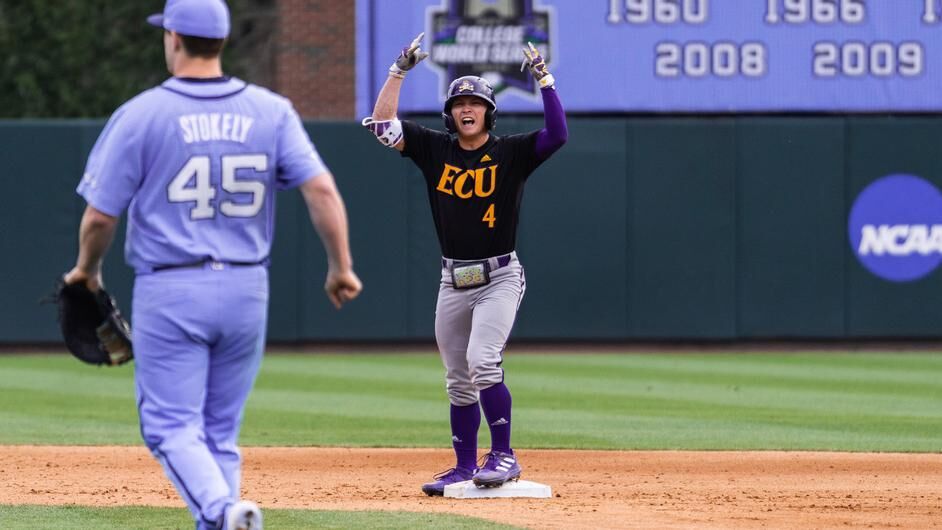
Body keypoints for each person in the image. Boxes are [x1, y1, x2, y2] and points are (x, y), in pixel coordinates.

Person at [63, 1, 362, 528]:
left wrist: (86, 270)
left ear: (173, 37)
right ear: (221, 41)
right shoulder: (271, 111)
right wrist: (340, 265)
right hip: (248, 288)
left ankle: (224, 511)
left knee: (169, 427)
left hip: (174, 287)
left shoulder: (142, 113)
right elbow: (321, 188)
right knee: (219, 431)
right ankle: (224, 519)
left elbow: (99, 218)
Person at [363, 34, 567, 496]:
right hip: (452, 279)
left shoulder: (511, 152)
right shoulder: (435, 149)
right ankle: (462, 465)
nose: (467, 108)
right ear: (450, 114)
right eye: (459, 103)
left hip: (499, 275)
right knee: (457, 377)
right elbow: (382, 125)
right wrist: (399, 70)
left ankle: (504, 455)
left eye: (475, 102)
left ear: (488, 111)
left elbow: (557, 135)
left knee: (482, 360)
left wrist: (545, 81)